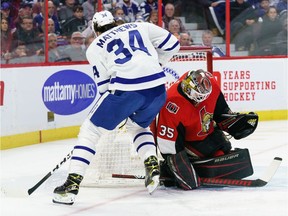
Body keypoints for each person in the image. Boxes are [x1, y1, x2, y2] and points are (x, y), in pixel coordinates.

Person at [52, 10, 180, 205]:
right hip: (157, 89)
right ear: (114, 22)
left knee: (90, 130)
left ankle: (71, 185)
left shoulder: (94, 47)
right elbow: (173, 45)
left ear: (95, 30)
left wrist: (121, 109)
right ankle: (151, 162)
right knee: (138, 126)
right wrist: (156, 63)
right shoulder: (140, 25)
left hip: (127, 91)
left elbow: (104, 88)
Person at [155, 69, 258, 190]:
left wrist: (235, 123)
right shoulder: (171, 104)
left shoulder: (211, 85)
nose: (201, 100)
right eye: (198, 97)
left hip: (206, 132)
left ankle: (202, 166)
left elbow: (221, 112)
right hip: (187, 142)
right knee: (212, 160)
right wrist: (179, 169)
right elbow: (168, 145)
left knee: (224, 148)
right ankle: (167, 170)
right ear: (188, 90)